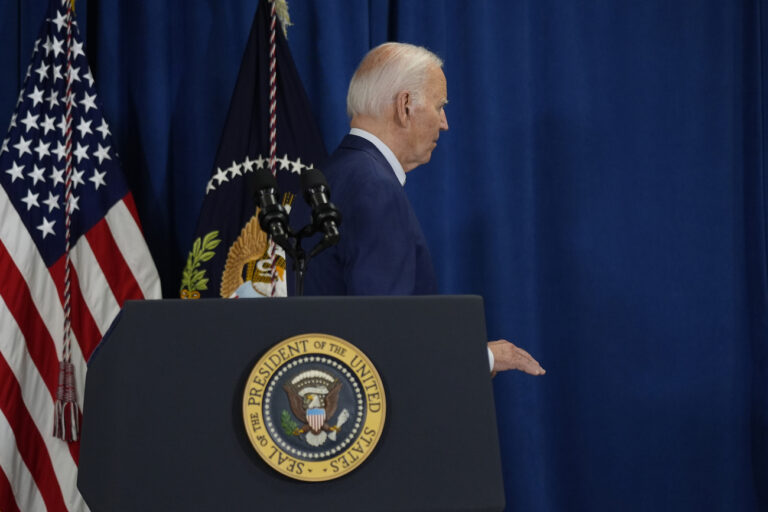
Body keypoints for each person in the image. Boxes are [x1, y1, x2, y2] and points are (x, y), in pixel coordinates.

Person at [305, 42, 544, 377]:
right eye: (439, 106)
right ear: (405, 106)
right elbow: (385, 340)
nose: (444, 123)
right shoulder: (376, 188)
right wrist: (482, 358)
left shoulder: (332, 175)